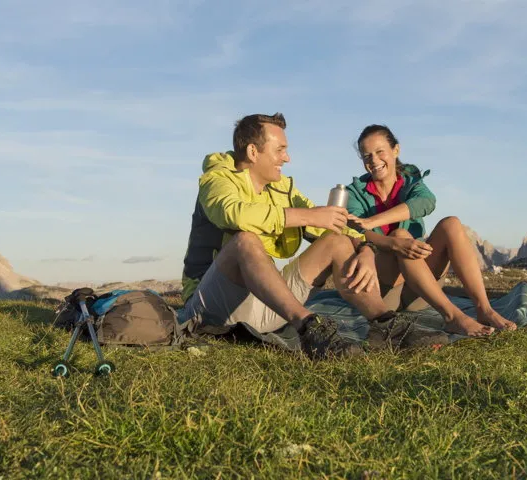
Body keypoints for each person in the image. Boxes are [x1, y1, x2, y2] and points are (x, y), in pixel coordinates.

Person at [180, 113, 449, 359]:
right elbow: (233, 214)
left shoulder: (282, 188)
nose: (287, 158)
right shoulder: (218, 178)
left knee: (336, 241)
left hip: (266, 308)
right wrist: (307, 216)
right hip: (212, 310)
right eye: (280, 150)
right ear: (253, 151)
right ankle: (311, 329)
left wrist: (366, 248)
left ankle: (385, 325)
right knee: (245, 240)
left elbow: (331, 224)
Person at [344, 124, 517, 336]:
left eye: (380, 152)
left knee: (451, 223)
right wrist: (394, 243)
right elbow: (356, 233)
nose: (374, 161)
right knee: (400, 235)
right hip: (388, 292)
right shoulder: (354, 192)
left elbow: (426, 202)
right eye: (367, 156)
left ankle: (484, 309)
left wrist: (373, 221)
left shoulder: (411, 179)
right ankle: (453, 317)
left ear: (395, 150)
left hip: (423, 288)